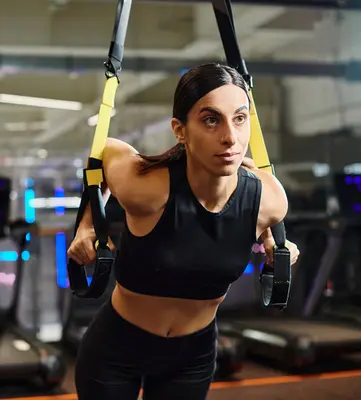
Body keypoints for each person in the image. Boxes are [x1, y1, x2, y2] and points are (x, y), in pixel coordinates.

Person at [67, 62, 300, 400]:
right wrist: (87, 226)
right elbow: (106, 152)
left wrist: (272, 240)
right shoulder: (147, 189)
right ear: (180, 130)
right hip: (116, 349)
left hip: (192, 356)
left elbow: (254, 215)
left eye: (239, 118)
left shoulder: (270, 201)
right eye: (211, 119)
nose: (230, 137)